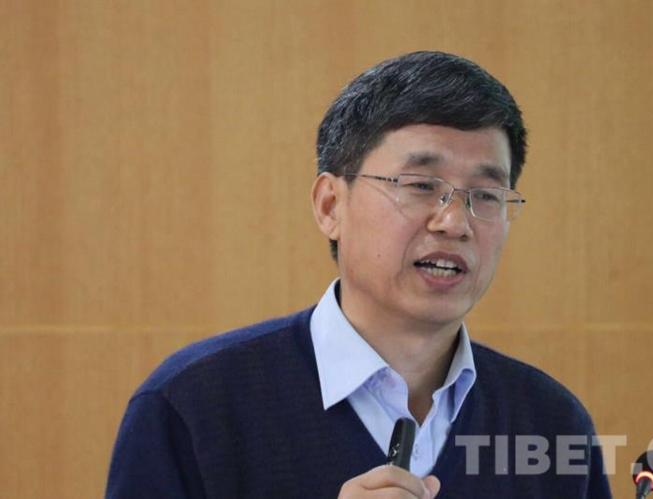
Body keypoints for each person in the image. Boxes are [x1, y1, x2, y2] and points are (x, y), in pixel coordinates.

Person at [106, 51, 612, 498]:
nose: (454, 223)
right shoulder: (195, 406)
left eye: (485, 195)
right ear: (331, 205)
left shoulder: (550, 425)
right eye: (420, 185)